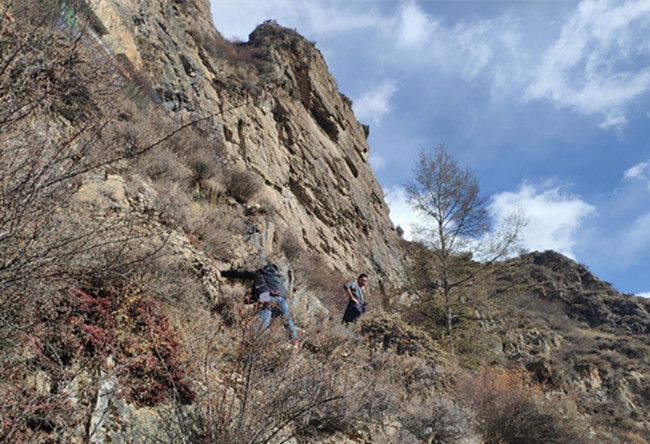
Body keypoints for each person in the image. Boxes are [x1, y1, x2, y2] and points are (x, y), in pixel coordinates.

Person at [221, 263, 299, 348]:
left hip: (266, 295)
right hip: (281, 299)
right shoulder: (279, 278)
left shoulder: (260, 273)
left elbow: (242, 273)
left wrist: (224, 273)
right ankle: (294, 340)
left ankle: (260, 341)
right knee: (286, 317)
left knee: (265, 313)